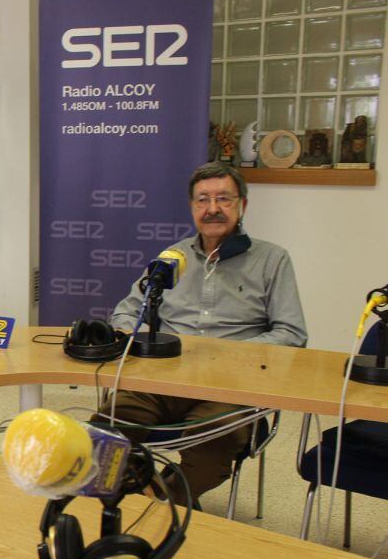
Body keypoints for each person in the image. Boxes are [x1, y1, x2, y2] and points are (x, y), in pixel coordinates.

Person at [101, 162, 307, 504]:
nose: (213, 209)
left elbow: (292, 333)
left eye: (223, 199)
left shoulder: (272, 260)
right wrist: (139, 337)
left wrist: (221, 356)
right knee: (108, 426)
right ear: (192, 207)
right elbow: (126, 312)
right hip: (163, 380)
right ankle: (132, 495)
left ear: (242, 205)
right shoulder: (172, 258)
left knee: (211, 437)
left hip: (232, 386)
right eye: (203, 200)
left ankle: (162, 502)